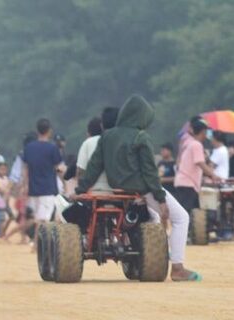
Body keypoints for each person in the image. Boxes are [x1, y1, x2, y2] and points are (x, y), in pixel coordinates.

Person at [77, 95, 201, 281]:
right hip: (141, 189)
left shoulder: (107, 136)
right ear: (139, 117)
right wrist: (160, 199)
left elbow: (95, 166)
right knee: (181, 218)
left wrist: (81, 190)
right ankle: (177, 268)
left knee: (155, 218)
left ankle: (158, 254)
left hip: (116, 189)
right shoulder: (140, 136)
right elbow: (150, 172)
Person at [22, 119, 63, 250]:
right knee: (43, 219)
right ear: (49, 131)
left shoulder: (29, 148)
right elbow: (59, 168)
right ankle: (37, 245)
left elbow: (25, 169)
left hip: (33, 188)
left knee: (39, 218)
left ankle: (39, 244)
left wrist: (25, 185)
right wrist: (64, 181)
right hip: (47, 188)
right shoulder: (52, 148)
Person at [174, 117, 222, 216]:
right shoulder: (196, 145)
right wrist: (213, 175)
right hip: (187, 183)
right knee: (186, 213)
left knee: (189, 212)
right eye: (207, 132)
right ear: (203, 131)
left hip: (185, 182)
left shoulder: (191, 143)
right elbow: (200, 163)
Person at [76, 116, 111, 193]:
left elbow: (80, 170)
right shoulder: (111, 141)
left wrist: (80, 187)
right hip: (113, 190)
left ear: (89, 132)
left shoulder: (87, 143)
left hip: (92, 191)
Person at [0, 163, 12, 237]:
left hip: (6, 202)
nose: (3, 171)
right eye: (1, 169)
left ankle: (3, 232)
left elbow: (9, 189)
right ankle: (1, 235)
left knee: (11, 217)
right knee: (1, 219)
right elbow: (0, 190)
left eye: (5, 169)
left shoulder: (6, 178)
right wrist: (8, 189)